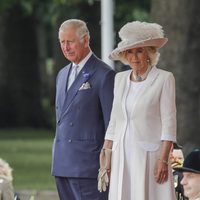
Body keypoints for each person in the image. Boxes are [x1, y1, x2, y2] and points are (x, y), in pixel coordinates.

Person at [101, 21, 177, 200]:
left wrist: (163, 160)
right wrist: (105, 156)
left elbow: (169, 124)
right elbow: (114, 121)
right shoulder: (119, 79)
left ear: (150, 53)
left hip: (149, 157)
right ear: (125, 56)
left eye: (139, 51)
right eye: (130, 52)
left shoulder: (164, 79)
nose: (134, 57)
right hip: (121, 156)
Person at [51, 19, 115, 200]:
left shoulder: (104, 74)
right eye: (62, 42)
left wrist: (107, 164)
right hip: (62, 163)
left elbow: (112, 123)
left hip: (88, 167)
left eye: (70, 41)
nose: (65, 47)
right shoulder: (62, 74)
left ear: (86, 40)